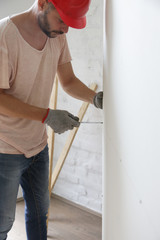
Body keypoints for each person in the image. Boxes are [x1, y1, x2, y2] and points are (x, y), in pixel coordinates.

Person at [0, 0, 103, 239]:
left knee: (39, 214)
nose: (66, 29)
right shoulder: (5, 35)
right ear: (44, 3)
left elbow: (67, 81)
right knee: (3, 223)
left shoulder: (57, 35)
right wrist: (46, 115)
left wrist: (95, 98)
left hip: (37, 145)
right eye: (63, 21)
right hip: (5, 149)